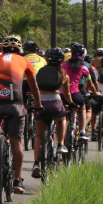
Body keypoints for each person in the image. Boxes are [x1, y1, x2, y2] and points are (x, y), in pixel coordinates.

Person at [0, 36, 40, 193]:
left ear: (2, 49)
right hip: (16, 102)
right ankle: (17, 181)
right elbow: (33, 85)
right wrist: (38, 103)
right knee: (16, 143)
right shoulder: (24, 61)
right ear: (19, 49)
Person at [31, 48, 72, 177]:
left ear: (47, 59)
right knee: (61, 119)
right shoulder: (64, 74)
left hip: (40, 103)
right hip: (55, 102)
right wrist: (71, 104)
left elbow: (35, 87)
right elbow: (67, 94)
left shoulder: (41, 72)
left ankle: (36, 163)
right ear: (62, 60)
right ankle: (60, 144)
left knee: (39, 136)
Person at [63, 43, 98, 141]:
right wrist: (96, 93)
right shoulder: (84, 68)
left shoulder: (63, 66)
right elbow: (90, 84)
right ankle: (82, 131)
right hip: (75, 93)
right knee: (82, 108)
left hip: (62, 94)